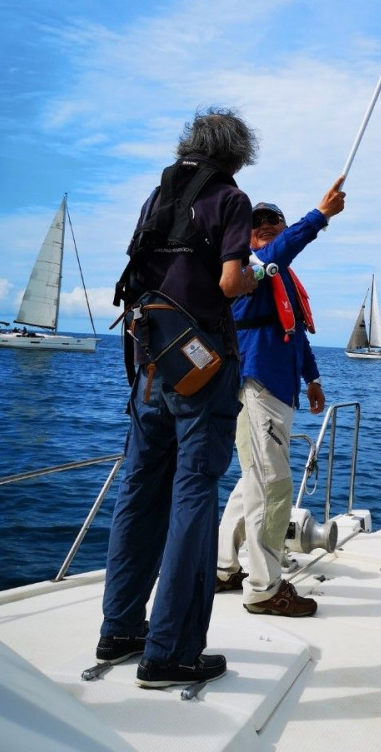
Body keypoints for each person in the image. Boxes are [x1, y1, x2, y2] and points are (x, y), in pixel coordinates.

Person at [96, 107, 260, 689]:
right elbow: (229, 283)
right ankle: (170, 652)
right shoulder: (230, 200)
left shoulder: (155, 197)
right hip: (203, 370)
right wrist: (254, 275)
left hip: (148, 366)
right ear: (236, 154)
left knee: (138, 492)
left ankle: (120, 629)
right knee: (194, 496)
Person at [216, 178, 346, 616]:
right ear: (244, 236)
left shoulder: (282, 280)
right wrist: (320, 216)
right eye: (257, 223)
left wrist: (312, 378)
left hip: (279, 387)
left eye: (274, 220)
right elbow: (278, 252)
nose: (266, 226)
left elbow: (294, 334)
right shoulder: (251, 268)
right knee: (274, 487)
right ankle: (265, 587)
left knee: (253, 481)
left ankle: (223, 567)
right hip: (258, 384)